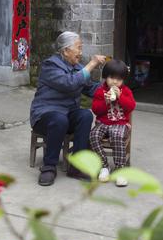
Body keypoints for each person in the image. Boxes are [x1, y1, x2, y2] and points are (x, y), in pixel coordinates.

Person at [30, 31, 106, 186]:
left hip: (66, 115)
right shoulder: (50, 65)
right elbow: (69, 83)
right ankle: (49, 167)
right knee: (59, 119)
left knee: (85, 115)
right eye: (78, 48)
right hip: (45, 116)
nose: (81, 52)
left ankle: (77, 166)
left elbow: (91, 89)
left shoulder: (76, 68)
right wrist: (91, 64)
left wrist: (112, 86)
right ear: (65, 50)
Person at [90, 59, 136, 186]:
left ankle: (120, 168)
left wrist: (120, 97)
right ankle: (104, 166)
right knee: (93, 135)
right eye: (111, 78)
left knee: (116, 135)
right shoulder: (100, 91)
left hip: (121, 124)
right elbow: (96, 110)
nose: (115, 82)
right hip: (103, 123)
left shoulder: (126, 91)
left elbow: (131, 106)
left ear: (123, 80)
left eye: (119, 79)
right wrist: (105, 102)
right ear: (105, 77)